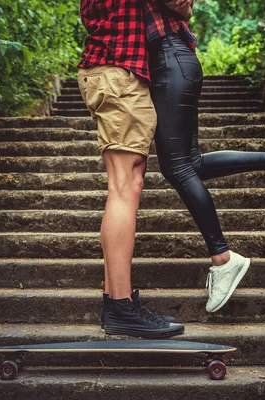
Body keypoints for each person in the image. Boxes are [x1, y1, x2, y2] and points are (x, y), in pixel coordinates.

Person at [145, 0, 265, 313]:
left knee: (177, 167)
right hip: (169, 62)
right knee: (190, 164)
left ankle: (223, 257)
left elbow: (182, 5)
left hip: (170, 60)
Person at [77, 0, 184, 338]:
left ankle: (116, 303)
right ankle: (121, 305)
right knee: (125, 187)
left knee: (124, 185)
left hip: (110, 71)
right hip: (119, 74)